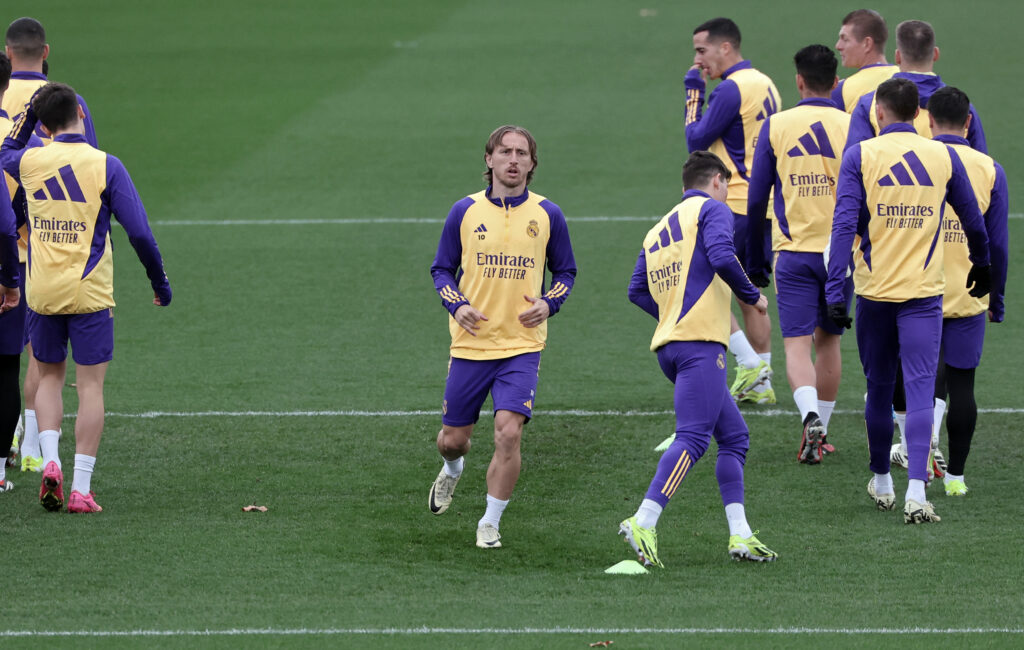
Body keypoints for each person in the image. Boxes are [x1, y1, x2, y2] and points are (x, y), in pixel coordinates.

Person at [0, 82, 172, 513]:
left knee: (50, 377)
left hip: (42, 291)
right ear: (80, 110)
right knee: (91, 385)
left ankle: (50, 460)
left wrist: (26, 123)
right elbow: (140, 234)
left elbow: (4, 152)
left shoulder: (31, 160)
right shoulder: (106, 165)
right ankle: (79, 488)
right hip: (90, 291)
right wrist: (159, 281)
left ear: (43, 122)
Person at [825, 78, 990, 524]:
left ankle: (882, 479)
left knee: (879, 389)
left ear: (879, 113)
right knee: (919, 392)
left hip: (875, 295)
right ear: (919, 113)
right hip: (923, 296)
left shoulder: (860, 155)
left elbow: (843, 227)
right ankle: (918, 491)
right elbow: (972, 218)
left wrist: (834, 289)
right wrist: (983, 263)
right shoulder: (943, 156)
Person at [620, 151, 777, 567]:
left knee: (735, 438)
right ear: (719, 182)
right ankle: (644, 520)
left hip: (672, 347)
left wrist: (671, 314)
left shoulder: (657, 230)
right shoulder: (713, 210)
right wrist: (753, 297)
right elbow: (724, 257)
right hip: (700, 346)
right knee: (692, 438)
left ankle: (740, 535)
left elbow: (636, 290)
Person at [428, 125, 576, 549]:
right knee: (454, 440)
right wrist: (457, 304)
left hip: (521, 346)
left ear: (532, 164)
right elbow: (441, 269)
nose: (513, 160)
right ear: (489, 160)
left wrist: (550, 302)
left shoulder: (549, 214)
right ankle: (452, 470)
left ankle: (489, 522)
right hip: (471, 342)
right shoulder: (464, 211)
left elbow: (566, 272)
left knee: (509, 432)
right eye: (505, 152)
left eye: (522, 153)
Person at [746, 45, 851, 464]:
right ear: (836, 82)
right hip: (839, 255)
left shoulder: (776, 126)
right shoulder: (853, 125)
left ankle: (809, 417)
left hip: (793, 254)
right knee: (829, 342)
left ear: (799, 81)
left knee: (796, 345)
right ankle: (821, 430)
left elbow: (756, 201)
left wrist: (755, 258)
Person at [3, 16, 99, 473]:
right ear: (46, 51)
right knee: (39, 357)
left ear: (7, 53)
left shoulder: (3, 95)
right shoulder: (64, 103)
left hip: (8, 232)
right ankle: (32, 449)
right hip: (39, 246)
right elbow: (91, 170)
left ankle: (20, 448)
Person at [910, 87, 1006, 497]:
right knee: (963, 384)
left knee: (920, 380)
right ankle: (956, 479)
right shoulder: (989, 168)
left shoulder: (918, 160)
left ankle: (917, 464)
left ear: (929, 121)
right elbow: (997, 242)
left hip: (919, 290)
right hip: (969, 291)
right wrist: (995, 298)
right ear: (969, 122)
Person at [685, 17, 781, 404]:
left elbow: (695, 139)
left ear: (726, 47)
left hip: (733, 204)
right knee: (750, 294)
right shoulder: (766, 83)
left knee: (701, 285)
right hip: (764, 206)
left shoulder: (731, 89)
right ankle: (762, 385)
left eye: (701, 50)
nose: (697, 60)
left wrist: (693, 92)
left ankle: (749, 364)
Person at [845, 20, 985, 152]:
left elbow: (854, 164)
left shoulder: (870, 104)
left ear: (897, 56)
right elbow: (979, 165)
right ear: (935, 54)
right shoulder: (963, 108)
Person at [0, 54, 22, 490]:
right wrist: (10, 281)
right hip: (14, 260)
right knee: (5, 369)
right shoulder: (18, 140)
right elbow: (7, 222)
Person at [831, 9, 897, 113]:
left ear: (867, 43)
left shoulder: (841, 91)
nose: (838, 46)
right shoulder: (907, 78)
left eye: (845, 39)